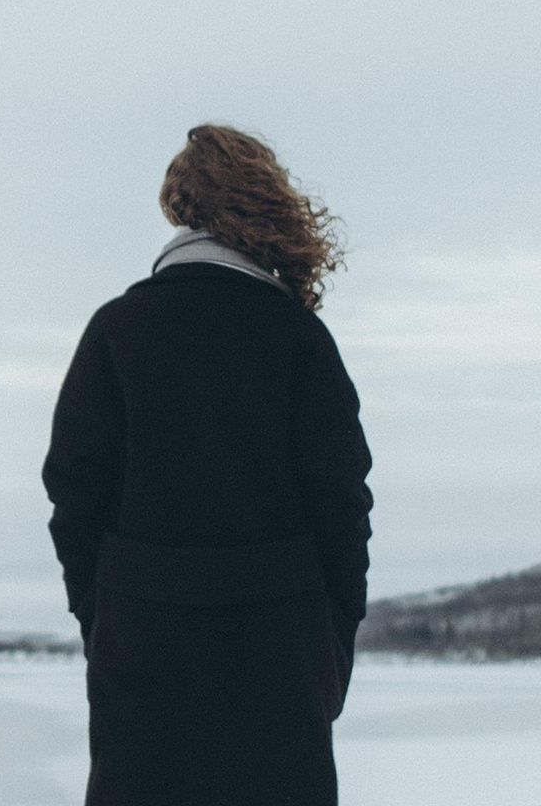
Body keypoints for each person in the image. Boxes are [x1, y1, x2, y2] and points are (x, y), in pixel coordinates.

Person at [42, 124, 375, 806]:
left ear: (183, 213)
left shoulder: (117, 329)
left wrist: (104, 619)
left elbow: (74, 496)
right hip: (281, 657)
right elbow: (343, 508)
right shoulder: (299, 339)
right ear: (265, 210)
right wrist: (329, 646)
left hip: (142, 651)